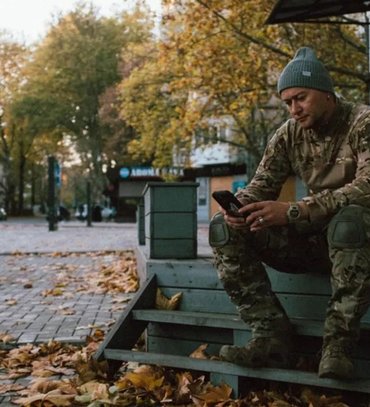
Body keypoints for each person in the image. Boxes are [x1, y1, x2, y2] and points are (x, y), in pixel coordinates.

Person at [209, 46, 370, 380]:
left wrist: (296, 211)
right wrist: (240, 207)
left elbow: (367, 186)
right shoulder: (288, 134)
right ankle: (270, 335)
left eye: (301, 98)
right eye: (287, 102)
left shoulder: (362, 123)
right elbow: (262, 184)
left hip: (359, 244)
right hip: (314, 244)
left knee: (349, 221)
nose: (294, 110)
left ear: (326, 94)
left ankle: (338, 346)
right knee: (223, 229)